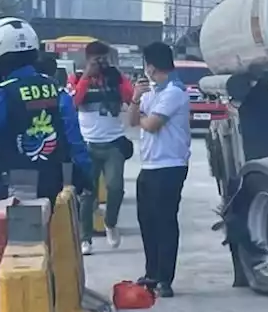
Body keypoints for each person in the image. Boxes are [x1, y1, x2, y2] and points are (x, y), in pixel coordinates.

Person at [0, 17, 91, 206]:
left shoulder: (5, 94)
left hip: (12, 192)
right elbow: (75, 140)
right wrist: (86, 175)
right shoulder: (56, 89)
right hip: (54, 186)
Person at [126, 41, 190, 297]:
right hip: (149, 165)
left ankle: (165, 278)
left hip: (170, 165)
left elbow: (152, 125)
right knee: (147, 221)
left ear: (151, 67)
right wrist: (135, 98)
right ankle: (151, 272)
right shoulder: (151, 93)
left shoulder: (174, 92)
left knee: (165, 222)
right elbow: (132, 122)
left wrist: (143, 117)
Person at [72, 41, 135, 255]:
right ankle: (85, 238)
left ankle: (110, 222)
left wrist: (116, 79)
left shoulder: (116, 77)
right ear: (87, 60)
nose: (100, 63)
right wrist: (86, 77)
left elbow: (130, 97)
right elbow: (74, 102)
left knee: (115, 187)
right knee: (87, 195)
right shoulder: (77, 78)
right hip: (88, 144)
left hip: (113, 142)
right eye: (96, 60)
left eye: (103, 59)